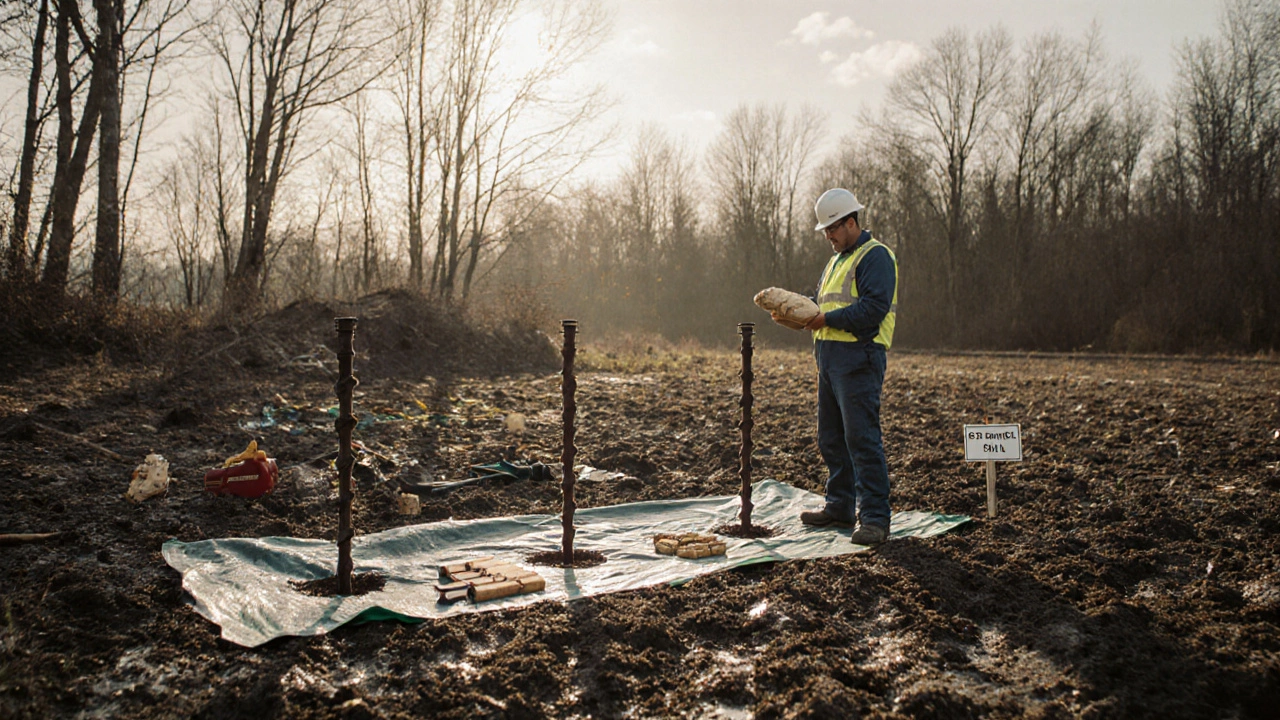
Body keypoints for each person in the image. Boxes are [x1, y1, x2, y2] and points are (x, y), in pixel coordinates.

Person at [777, 188, 898, 546]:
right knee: (831, 438)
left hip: (859, 359)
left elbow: (872, 310)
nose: (827, 236)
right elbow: (822, 306)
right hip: (829, 361)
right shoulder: (836, 261)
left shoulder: (875, 257)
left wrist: (823, 319)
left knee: (862, 439)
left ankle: (875, 518)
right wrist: (795, 313)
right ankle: (840, 505)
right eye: (825, 230)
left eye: (832, 228)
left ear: (850, 222)